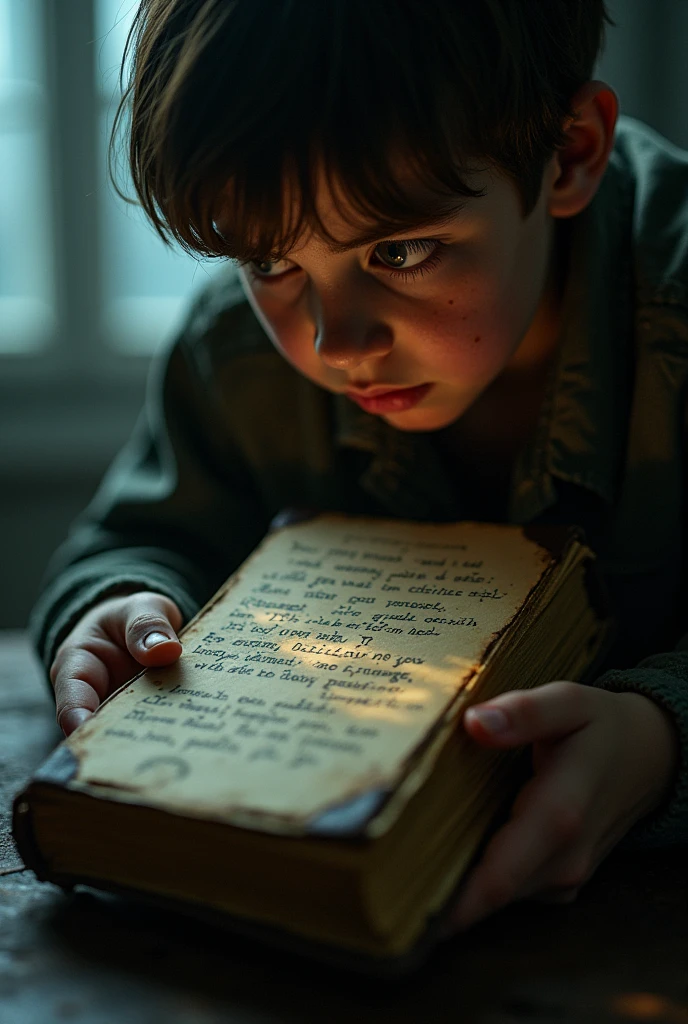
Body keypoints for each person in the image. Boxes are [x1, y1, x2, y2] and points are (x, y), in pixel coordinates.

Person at [31, 0, 688, 934]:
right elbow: (136, 538)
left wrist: (664, 740)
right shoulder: (233, 352)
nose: (336, 343)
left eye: (402, 250)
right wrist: (114, 603)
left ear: (569, 153)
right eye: (266, 258)